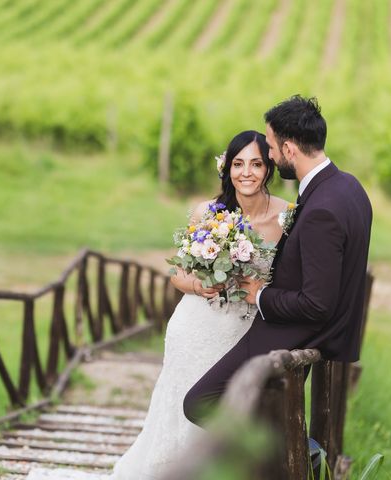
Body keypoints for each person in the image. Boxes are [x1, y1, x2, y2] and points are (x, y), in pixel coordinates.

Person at [108, 130, 290, 479]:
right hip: (195, 325)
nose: (246, 172)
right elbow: (177, 273)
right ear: (227, 168)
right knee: (179, 407)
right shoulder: (207, 212)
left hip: (244, 330)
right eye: (238, 164)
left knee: (232, 402)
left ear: (268, 168)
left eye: (256, 163)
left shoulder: (287, 217)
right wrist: (199, 285)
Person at [183, 95, 373, 425]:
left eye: (270, 147)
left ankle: (279, 454)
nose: (268, 155)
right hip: (305, 328)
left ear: (288, 150)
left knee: (199, 402)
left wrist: (259, 295)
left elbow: (317, 304)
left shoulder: (322, 210)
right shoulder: (348, 186)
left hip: (294, 331)